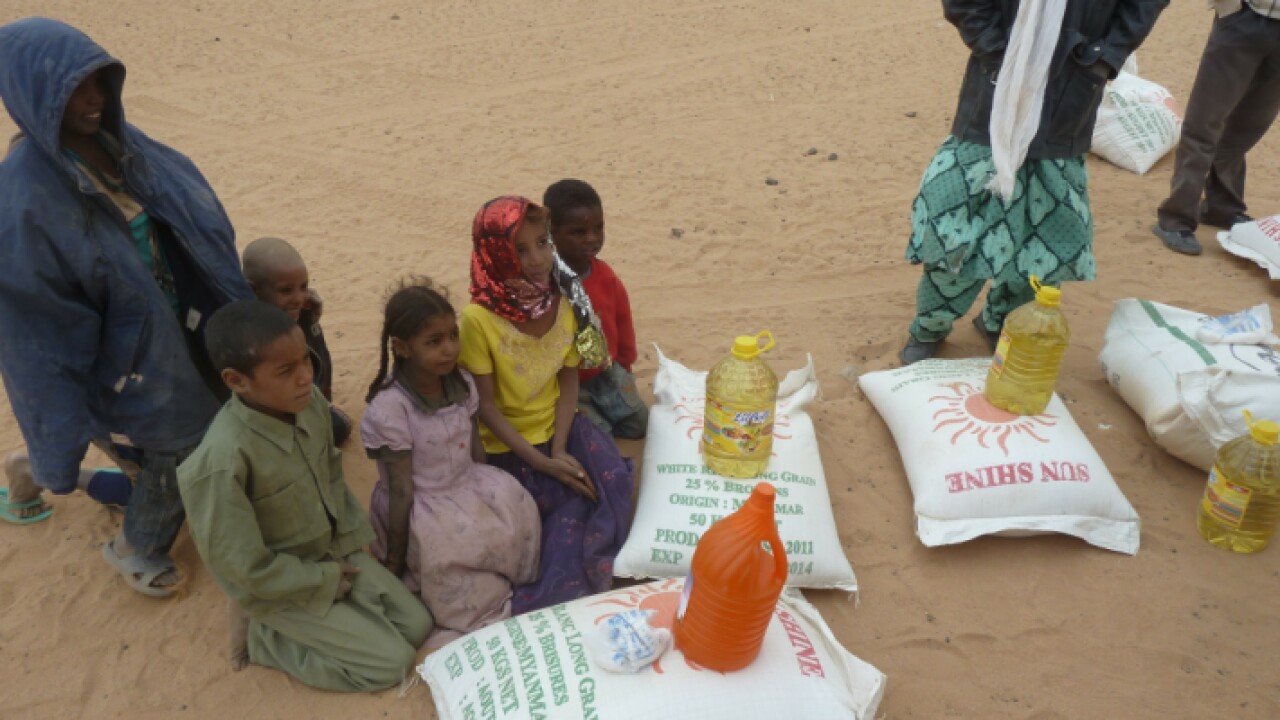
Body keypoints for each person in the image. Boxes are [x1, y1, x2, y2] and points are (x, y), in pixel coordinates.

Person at [0, 18, 253, 595]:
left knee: (222, 416)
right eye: (75, 90)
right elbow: (38, 339)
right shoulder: (21, 199)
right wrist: (56, 446)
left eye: (100, 82)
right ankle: (135, 546)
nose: (94, 99)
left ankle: (28, 473)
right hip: (121, 362)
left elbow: (195, 217)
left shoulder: (123, 143)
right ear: (34, 95)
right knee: (180, 450)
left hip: (177, 327)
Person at [179, 300, 432, 692]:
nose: (305, 377)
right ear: (236, 381)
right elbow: (244, 568)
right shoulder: (221, 464)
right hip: (279, 587)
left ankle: (343, 617)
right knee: (391, 665)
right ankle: (264, 639)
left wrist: (347, 551)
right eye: (286, 371)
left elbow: (331, 476)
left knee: (417, 626)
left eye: (305, 361)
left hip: (329, 554)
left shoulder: (310, 404)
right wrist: (322, 580)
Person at [899, 0, 1168, 365]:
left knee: (1043, 238)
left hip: (1072, 91)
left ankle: (1002, 322)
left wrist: (1105, 57)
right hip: (995, 93)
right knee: (955, 229)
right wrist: (997, 51)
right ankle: (930, 327)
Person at [459, 196, 635, 613]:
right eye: (520, 250)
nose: (538, 259)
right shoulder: (477, 320)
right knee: (560, 514)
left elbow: (568, 377)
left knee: (611, 481)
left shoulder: (563, 298)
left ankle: (605, 571)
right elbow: (486, 408)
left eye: (543, 243)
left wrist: (558, 448)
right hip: (509, 445)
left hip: (560, 427)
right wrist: (543, 462)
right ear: (495, 255)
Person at [362, 277, 541, 649]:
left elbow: (474, 447)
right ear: (401, 347)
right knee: (451, 552)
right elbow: (401, 489)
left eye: (452, 336)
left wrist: (485, 491)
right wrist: (394, 560)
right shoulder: (391, 409)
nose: (449, 349)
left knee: (514, 512)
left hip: (466, 480)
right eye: (434, 341)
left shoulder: (462, 384)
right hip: (421, 502)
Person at [1152, 1, 1280, 256]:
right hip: (1244, 18)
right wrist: (1230, 8)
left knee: (1249, 126)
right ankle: (1176, 218)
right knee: (1204, 122)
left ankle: (1223, 207)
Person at [543, 179, 649, 439]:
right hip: (567, 385)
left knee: (640, 425)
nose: (591, 238)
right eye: (578, 232)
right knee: (599, 438)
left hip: (607, 373)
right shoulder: (547, 285)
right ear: (551, 232)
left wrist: (625, 366)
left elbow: (622, 320)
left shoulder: (605, 276)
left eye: (598, 228)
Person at [242, 236, 352, 444]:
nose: (299, 298)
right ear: (253, 290)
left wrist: (311, 323)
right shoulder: (252, 336)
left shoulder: (304, 314)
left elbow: (320, 361)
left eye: (303, 287)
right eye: (286, 290)